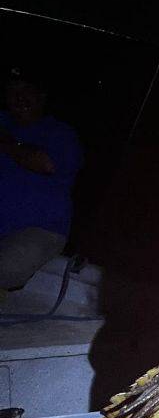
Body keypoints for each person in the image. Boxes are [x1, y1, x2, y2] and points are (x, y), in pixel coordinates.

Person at [0, 67, 84, 291]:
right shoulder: (3, 121)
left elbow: (44, 164)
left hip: (40, 231)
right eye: (13, 91)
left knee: (6, 268)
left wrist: (5, 142)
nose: (19, 98)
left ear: (41, 96)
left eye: (27, 90)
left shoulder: (60, 133)